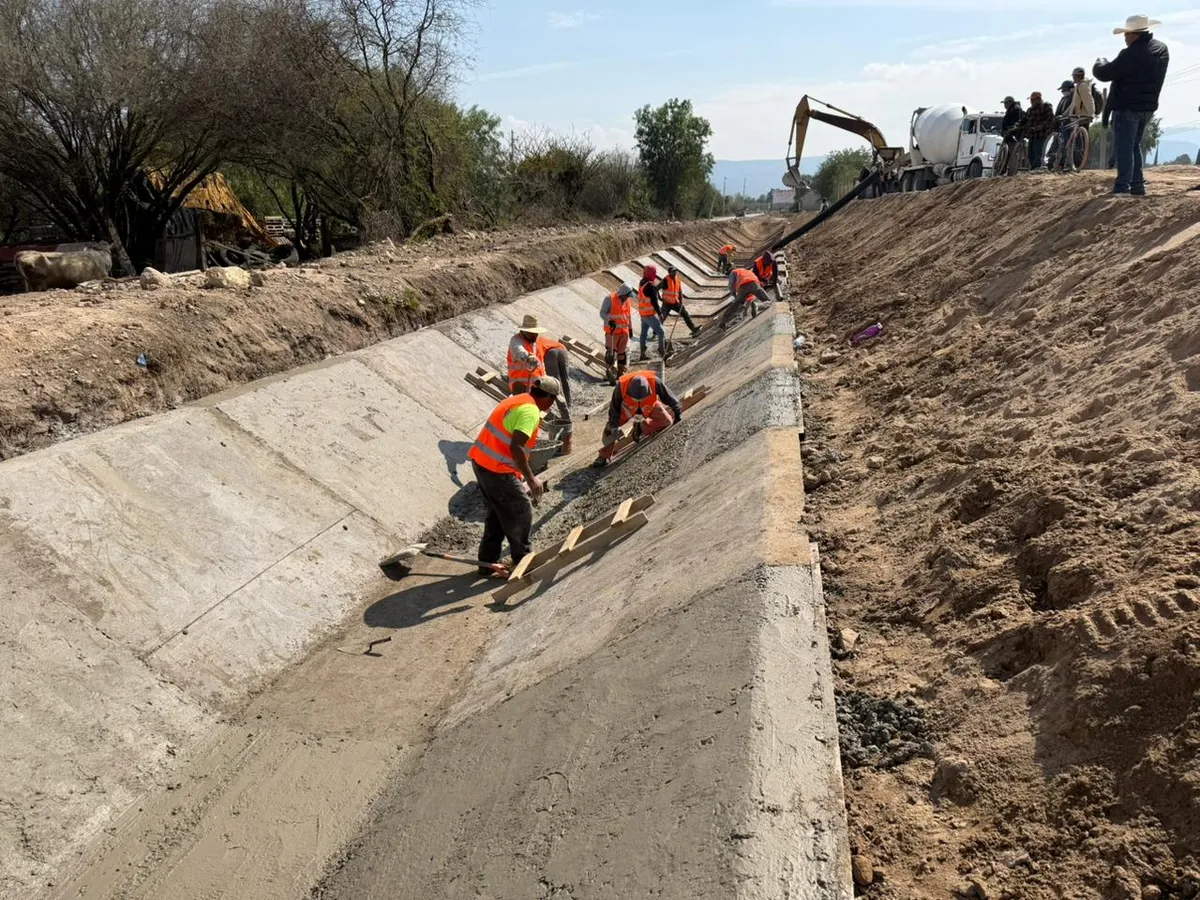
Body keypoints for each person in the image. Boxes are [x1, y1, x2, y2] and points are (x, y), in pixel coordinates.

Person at [468, 376, 561, 575]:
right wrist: (531, 479)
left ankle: (486, 562)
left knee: (496, 514)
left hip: (481, 463)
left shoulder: (515, 400)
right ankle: (523, 561)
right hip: (497, 469)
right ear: (547, 397)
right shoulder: (530, 411)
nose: (552, 405)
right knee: (521, 511)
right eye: (552, 400)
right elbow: (516, 447)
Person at [1093, 15, 1170, 196]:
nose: (1125, 38)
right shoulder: (1161, 49)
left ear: (1134, 35)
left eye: (1126, 34)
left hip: (1127, 107)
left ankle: (1123, 186)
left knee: (1124, 147)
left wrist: (1099, 63)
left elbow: (1105, 73)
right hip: (1147, 107)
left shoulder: (1132, 54)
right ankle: (1137, 186)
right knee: (1134, 145)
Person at [506, 314, 573, 455]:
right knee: (524, 417)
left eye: (536, 333)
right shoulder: (516, 341)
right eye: (532, 333)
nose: (535, 335)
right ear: (524, 331)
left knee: (535, 416)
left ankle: (529, 445)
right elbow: (518, 351)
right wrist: (528, 357)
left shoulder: (534, 342)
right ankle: (520, 447)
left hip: (536, 386)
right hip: (521, 388)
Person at [591, 371, 683, 468]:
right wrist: (614, 426)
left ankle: (641, 426)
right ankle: (603, 456)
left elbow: (668, 395)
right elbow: (614, 407)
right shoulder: (621, 386)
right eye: (637, 399)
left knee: (666, 421)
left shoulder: (654, 381)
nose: (639, 401)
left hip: (648, 406)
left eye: (641, 398)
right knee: (610, 428)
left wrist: (676, 408)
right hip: (627, 408)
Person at [599, 284, 634, 384]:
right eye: (627, 295)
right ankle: (609, 372)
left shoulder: (627, 301)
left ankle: (620, 373)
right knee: (611, 353)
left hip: (624, 332)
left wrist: (630, 329)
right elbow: (602, 313)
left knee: (622, 354)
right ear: (622, 293)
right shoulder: (609, 299)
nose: (628, 297)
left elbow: (628, 316)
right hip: (612, 331)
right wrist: (609, 320)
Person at [637, 265, 666, 360]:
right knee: (661, 332)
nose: (655, 275)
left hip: (643, 313)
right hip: (649, 314)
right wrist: (660, 314)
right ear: (650, 273)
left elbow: (651, 295)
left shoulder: (642, 282)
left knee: (643, 334)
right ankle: (661, 350)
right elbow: (654, 301)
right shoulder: (650, 285)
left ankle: (642, 354)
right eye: (654, 273)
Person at [658, 265, 698, 335]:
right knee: (662, 318)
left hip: (676, 303)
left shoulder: (677, 280)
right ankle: (656, 332)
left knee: (685, 314)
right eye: (673, 271)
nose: (675, 273)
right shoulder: (665, 280)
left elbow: (680, 291)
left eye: (676, 271)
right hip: (667, 304)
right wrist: (659, 298)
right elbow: (655, 289)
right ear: (669, 273)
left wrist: (681, 302)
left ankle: (693, 328)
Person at [1021, 92, 1056, 172]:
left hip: (1042, 135)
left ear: (1038, 99)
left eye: (1033, 99)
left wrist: (1041, 126)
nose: (1031, 101)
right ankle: (1033, 169)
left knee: (1039, 153)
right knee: (1030, 154)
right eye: (1031, 99)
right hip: (1032, 135)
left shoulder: (1046, 106)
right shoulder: (1030, 110)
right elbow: (1025, 119)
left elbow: (1050, 119)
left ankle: (1037, 169)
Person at [1000, 96, 1024, 175]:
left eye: (1005, 103)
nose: (1005, 105)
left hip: (1013, 136)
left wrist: (1010, 131)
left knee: (1013, 155)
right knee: (1007, 155)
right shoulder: (1011, 110)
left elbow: (1016, 122)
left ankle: (1011, 173)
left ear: (1009, 102)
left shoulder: (1015, 109)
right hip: (1009, 135)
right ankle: (1002, 170)